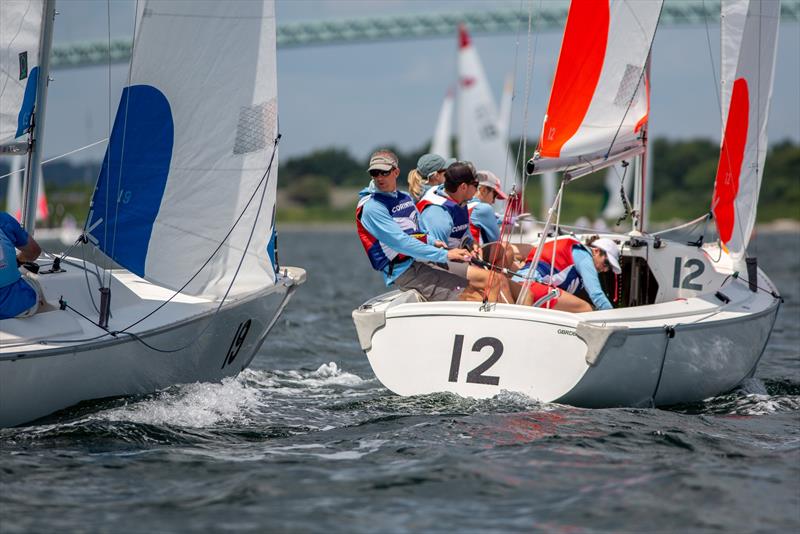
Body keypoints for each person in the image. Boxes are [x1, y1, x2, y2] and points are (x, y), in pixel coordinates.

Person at [356, 149, 474, 302]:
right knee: (472, 294)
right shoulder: (372, 208)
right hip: (404, 270)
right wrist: (445, 255)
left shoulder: (404, 197)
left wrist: (433, 242)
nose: (379, 177)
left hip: (421, 259)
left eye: (384, 172)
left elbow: (417, 232)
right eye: (375, 173)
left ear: (396, 172)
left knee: (484, 281)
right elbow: (401, 242)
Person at [416, 162, 516, 303]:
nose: (477, 190)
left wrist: (472, 243)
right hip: (439, 263)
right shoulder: (438, 216)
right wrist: (469, 264)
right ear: (463, 187)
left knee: (502, 251)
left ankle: (503, 304)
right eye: (475, 185)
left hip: (460, 255)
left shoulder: (457, 197)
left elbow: (464, 233)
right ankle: (499, 312)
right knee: (494, 280)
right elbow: (436, 258)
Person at [519, 235, 622, 311]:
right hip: (530, 284)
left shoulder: (579, 262)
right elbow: (596, 294)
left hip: (526, 283)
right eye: (606, 263)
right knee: (586, 309)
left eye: (610, 268)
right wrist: (612, 318)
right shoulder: (584, 257)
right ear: (596, 251)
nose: (605, 269)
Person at [1, 212, 44, 319]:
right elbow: (34, 251)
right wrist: (18, 260)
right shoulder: (4, 220)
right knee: (34, 282)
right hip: (15, 306)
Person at [467, 169, 507, 248]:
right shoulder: (484, 208)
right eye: (494, 195)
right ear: (484, 190)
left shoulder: (463, 203)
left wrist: (504, 220)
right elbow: (497, 243)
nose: (494, 201)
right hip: (475, 256)